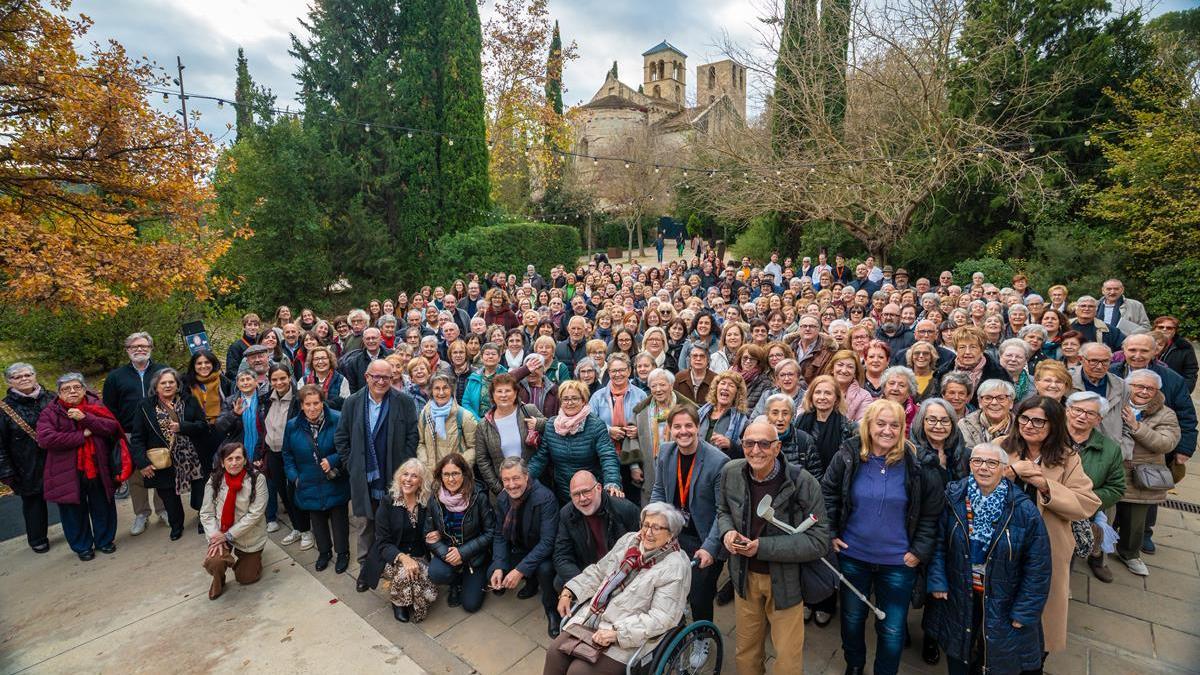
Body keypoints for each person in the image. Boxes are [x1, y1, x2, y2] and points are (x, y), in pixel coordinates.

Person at [821, 399, 943, 675]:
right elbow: (827, 493)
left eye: (894, 425)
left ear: (903, 428)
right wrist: (830, 533)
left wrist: (919, 551)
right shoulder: (848, 454)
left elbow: (930, 513)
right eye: (881, 423)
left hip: (899, 562)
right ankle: (854, 664)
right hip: (853, 556)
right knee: (852, 619)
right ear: (868, 425)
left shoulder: (918, 464)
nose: (887, 430)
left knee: (892, 627)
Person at [717, 418, 831, 675]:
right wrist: (727, 532)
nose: (755, 450)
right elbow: (723, 510)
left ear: (777, 448)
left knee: (788, 658)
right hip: (744, 577)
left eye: (764, 444)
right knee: (746, 650)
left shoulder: (803, 482)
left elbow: (819, 541)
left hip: (785, 582)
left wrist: (762, 548)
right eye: (749, 443)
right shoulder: (731, 472)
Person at [925, 443, 1052, 675]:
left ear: (1004, 469)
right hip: (960, 591)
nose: (984, 468)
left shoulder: (1023, 510)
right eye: (977, 461)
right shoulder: (953, 497)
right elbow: (938, 543)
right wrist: (937, 579)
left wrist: (1025, 610)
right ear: (970, 465)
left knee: (997, 657)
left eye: (992, 463)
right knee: (958, 653)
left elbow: (1038, 566)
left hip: (1001, 598)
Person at [1000, 396, 1100, 658]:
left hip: (1046, 547)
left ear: (1054, 425)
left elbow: (1087, 504)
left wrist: (1045, 485)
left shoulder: (1068, 459)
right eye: (1024, 418)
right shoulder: (1000, 447)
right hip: (1004, 544)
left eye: (1039, 421)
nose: (1030, 425)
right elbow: (977, 485)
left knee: (1040, 612)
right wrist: (1007, 473)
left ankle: (1034, 661)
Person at [548, 502, 692, 675]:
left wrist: (616, 633)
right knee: (555, 653)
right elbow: (600, 571)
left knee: (579, 672)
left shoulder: (675, 567)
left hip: (628, 636)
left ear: (671, 534)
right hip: (593, 617)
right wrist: (569, 591)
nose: (648, 533)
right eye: (646, 525)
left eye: (656, 527)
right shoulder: (631, 541)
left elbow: (662, 617)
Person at [335, 358, 420, 588]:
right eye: (377, 376)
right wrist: (351, 463)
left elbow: (413, 435)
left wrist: (405, 468)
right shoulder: (353, 402)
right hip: (364, 477)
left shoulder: (403, 401)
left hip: (394, 476)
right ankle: (366, 569)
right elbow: (341, 437)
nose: (381, 381)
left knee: (394, 523)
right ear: (367, 377)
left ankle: (396, 567)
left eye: (387, 377)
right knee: (365, 524)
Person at [650, 404, 729, 624]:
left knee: (699, 595)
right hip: (675, 533)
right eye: (677, 427)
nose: (683, 431)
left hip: (704, 537)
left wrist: (710, 548)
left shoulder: (718, 461)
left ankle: (703, 635)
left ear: (698, 428)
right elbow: (659, 489)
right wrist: (651, 521)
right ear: (670, 430)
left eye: (688, 426)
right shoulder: (666, 451)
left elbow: (722, 511)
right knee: (671, 584)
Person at [36, 373, 126, 560]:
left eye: (76, 387)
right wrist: (80, 436)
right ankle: (82, 547)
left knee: (102, 505)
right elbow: (45, 439)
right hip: (66, 471)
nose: (72, 391)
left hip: (98, 465)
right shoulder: (50, 412)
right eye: (66, 389)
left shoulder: (96, 405)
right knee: (72, 511)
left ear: (84, 389)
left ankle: (105, 540)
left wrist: (85, 418)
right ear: (59, 393)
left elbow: (111, 427)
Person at [127, 367, 207, 541]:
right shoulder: (145, 406)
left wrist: (183, 427)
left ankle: (204, 519)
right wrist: (142, 462)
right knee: (169, 496)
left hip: (192, 456)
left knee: (200, 490)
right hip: (163, 460)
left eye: (172, 382)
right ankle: (176, 525)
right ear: (156, 386)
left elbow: (203, 426)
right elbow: (137, 437)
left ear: (178, 385)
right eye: (163, 383)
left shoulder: (189, 401)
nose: (168, 385)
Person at [1114, 370, 1181, 577]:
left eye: (1149, 388)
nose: (1143, 391)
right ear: (1128, 386)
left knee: (1135, 522)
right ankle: (1096, 552)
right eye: (1138, 386)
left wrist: (1137, 427)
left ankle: (1130, 554)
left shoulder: (1165, 413)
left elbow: (1166, 443)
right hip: (1113, 470)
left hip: (1140, 475)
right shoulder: (1115, 402)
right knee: (1104, 516)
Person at [282, 384, 351, 574]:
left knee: (339, 520)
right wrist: (295, 478)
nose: (312, 408)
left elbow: (348, 446)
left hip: (334, 479)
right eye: (308, 404)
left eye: (316, 403)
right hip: (307, 481)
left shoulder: (337, 419)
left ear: (322, 402)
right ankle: (324, 552)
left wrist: (333, 459)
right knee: (317, 520)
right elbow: (287, 455)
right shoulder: (292, 426)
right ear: (301, 405)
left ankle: (343, 553)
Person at [102, 331, 167, 533]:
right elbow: (109, 408)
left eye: (144, 346)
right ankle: (141, 514)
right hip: (129, 433)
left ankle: (163, 509)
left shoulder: (162, 372)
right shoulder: (115, 377)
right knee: (136, 475)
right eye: (134, 347)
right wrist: (117, 433)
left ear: (150, 349)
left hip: (160, 430)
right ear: (128, 350)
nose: (139, 350)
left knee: (162, 469)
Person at [490, 457, 561, 637]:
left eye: (516, 478)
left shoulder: (545, 498)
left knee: (545, 570)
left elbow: (548, 542)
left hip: (543, 551)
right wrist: (499, 566)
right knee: (491, 572)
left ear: (526, 477)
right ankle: (530, 582)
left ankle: (552, 611)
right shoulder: (502, 498)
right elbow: (499, 534)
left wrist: (520, 570)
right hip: (519, 545)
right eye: (506, 480)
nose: (511, 485)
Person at [361, 459, 438, 623]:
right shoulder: (388, 502)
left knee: (430, 595)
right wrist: (403, 558)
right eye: (405, 474)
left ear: (421, 482)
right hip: (389, 556)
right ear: (399, 477)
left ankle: (407, 593)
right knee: (406, 573)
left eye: (414, 476)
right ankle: (399, 603)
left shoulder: (426, 503)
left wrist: (436, 534)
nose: (408, 479)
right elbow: (382, 542)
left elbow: (432, 529)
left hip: (418, 555)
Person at [528, 379, 623, 504]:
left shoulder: (596, 425)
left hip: (590, 493)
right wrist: (525, 478)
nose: (570, 403)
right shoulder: (552, 425)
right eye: (565, 399)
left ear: (583, 401)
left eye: (575, 398)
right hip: (563, 492)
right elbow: (541, 458)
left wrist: (612, 482)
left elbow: (608, 456)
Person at [1064, 391, 1125, 583]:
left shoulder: (1110, 449)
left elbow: (1116, 488)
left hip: (1081, 512)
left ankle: (1064, 587)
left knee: (1069, 553)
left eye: (1090, 414)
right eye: (1077, 410)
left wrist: (1084, 501)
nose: (1082, 416)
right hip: (1045, 505)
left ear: (1099, 419)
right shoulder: (1048, 437)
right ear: (1067, 411)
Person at [199, 442, 269, 599]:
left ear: (245, 460)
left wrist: (229, 535)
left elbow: (255, 514)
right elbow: (206, 513)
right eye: (229, 459)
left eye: (238, 458)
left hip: (247, 535)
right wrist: (215, 536)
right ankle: (219, 578)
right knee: (214, 562)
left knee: (246, 578)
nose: (234, 463)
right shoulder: (214, 480)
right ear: (222, 463)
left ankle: (250, 560)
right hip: (221, 533)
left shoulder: (257, 479)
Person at [427, 452, 494, 613]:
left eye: (455, 473)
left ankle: (475, 578)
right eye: (446, 474)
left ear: (464, 474)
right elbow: (428, 534)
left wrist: (462, 553)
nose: (451, 479)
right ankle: (455, 583)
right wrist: (447, 554)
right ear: (440, 476)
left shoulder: (478, 496)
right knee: (436, 573)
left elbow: (490, 533)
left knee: (470, 605)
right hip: (448, 553)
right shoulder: (435, 498)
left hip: (475, 556)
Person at [552, 470, 641, 590]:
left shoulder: (625, 509)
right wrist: (581, 583)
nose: (582, 498)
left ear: (599, 488)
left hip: (621, 570)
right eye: (576, 494)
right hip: (587, 572)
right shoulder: (566, 514)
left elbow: (642, 548)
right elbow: (561, 555)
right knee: (559, 581)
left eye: (586, 491)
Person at [0, 363, 56, 553]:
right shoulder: (4, 409)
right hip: (26, 464)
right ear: (9, 381)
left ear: (35, 375)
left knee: (68, 495)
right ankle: (37, 538)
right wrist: (6, 471)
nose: (24, 378)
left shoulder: (52, 398)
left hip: (57, 457)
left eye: (28, 374)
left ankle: (75, 530)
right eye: (17, 377)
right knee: (33, 502)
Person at [627, 368, 693, 501]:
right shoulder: (641, 412)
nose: (658, 389)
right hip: (651, 470)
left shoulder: (686, 409)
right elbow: (631, 439)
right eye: (653, 386)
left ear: (671, 385)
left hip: (682, 467)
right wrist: (634, 466)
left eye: (662, 385)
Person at [589, 353, 648, 502]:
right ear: (608, 372)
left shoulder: (640, 395)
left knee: (633, 499)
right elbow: (590, 423)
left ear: (629, 371)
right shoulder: (598, 396)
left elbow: (648, 422)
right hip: (605, 457)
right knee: (610, 499)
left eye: (622, 370)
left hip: (634, 457)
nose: (618, 374)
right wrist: (608, 430)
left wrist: (639, 430)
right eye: (614, 371)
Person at [475, 373, 545, 496]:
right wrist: (498, 488)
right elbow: (482, 460)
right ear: (492, 395)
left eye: (508, 391)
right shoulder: (483, 425)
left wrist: (538, 423)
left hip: (533, 483)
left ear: (515, 393)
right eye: (499, 391)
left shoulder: (529, 410)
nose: (503, 395)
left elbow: (549, 428)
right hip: (505, 488)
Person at [417, 373, 477, 469]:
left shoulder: (464, 416)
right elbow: (421, 443)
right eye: (437, 388)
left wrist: (457, 467)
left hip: (456, 476)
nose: (441, 393)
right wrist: (426, 464)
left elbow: (474, 448)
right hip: (431, 475)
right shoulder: (425, 414)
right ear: (431, 391)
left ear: (451, 390)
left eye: (445, 388)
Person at [698, 370, 750, 460]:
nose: (725, 388)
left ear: (737, 393)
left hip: (721, 467)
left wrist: (730, 445)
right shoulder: (701, 412)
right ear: (716, 387)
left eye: (731, 385)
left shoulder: (743, 422)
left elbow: (747, 452)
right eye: (723, 383)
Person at [958, 379, 1015, 450]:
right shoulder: (965, 424)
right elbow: (967, 457)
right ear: (980, 402)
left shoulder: (1020, 425)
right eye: (988, 398)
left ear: (1011, 403)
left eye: (1001, 398)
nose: (994, 402)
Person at [823, 349, 875, 421]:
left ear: (855, 373)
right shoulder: (816, 390)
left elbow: (861, 427)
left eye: (850, 367)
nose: (844, 370)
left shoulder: (864, 397)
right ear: (832, 369)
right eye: (840, 365)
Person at [298, 345, 350, 411]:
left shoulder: (341, 380)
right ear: (312, 362)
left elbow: (346, 406)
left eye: (324, 358)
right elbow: (300, 405)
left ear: (330, 360)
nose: (320, 362)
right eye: (316, 359)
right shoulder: (303, 381)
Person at [1154, 315, 1198, 392]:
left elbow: (1191, 372)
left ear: (1175, 331)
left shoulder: (1185, 347)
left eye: (1169, 328)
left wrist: (1184, 391)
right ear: (1154, 329)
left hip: (1171, 390)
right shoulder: (1143, 342)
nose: (1164, 329)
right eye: (1161, 327)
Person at [225, 313, 261, 383]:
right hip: (244, 382)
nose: (253, 328)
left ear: (258, 327)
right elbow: (231, 371)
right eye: (249, 325)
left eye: (255, 325)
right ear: (244, 327)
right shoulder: (236, 346)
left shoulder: (263, 343)